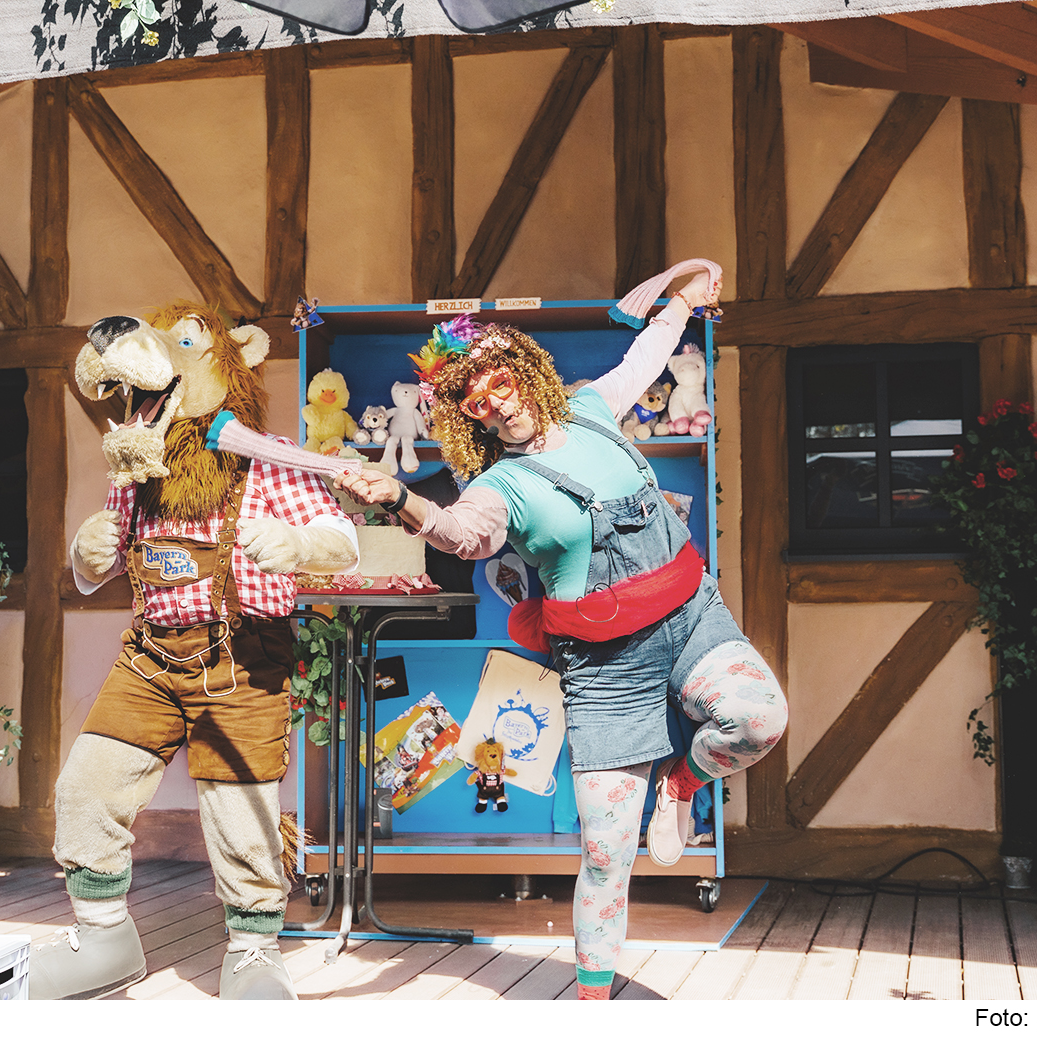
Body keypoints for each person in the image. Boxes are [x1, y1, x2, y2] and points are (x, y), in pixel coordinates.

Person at [333, 267, 788, 1001]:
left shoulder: (592, 407)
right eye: (474, 400)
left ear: (523, 370)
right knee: (606, 853)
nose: (493, 400)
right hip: (607, 668)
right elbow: (461, 535)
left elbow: (646, 356)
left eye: (498, 380)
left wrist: (681, 301)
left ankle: (681, 782)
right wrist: (402, 500)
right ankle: (592, 1006)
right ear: (470, 418)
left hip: (689, 617)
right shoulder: (499, 485)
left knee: (758, 718)